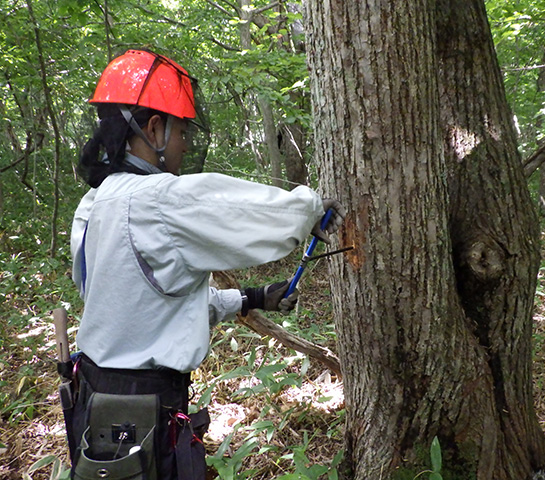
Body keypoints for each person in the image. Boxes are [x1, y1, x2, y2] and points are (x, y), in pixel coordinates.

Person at [66, 49, 345, 480]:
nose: (187, 145)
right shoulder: (157, 200)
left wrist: (251, 298)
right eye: (182, 132)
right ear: (154, 128)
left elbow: (146, 306)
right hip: (142, 414)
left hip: (96, 402)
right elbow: (264, 216)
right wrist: (308, 210)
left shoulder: (94, 204)